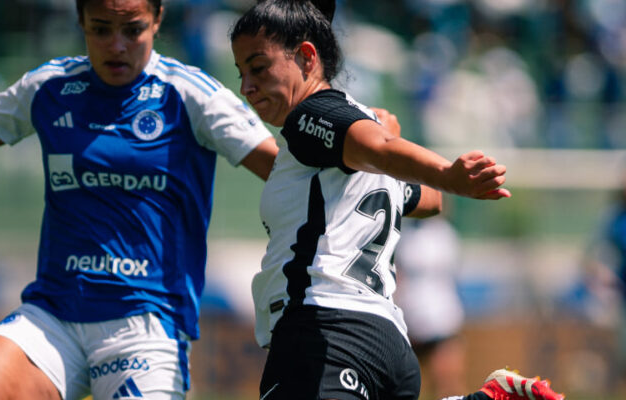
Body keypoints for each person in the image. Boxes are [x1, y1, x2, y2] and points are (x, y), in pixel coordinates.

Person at [0, 0, 278, 399]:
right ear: (81, 22)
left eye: (132, 29)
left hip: (145, 327)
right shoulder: (50, 88)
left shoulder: (192, 95)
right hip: (53, 314)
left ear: (157, 19)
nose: (116, 45)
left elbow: (280, 169)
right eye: (101, 29)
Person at [228, 1, 563, 399]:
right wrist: (387, 152)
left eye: (258, 67)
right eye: (241, 73)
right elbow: (430, 201)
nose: (246, 86)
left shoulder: (309, 117)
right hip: (388, 343)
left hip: (325, 331)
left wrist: (442, 171)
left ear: (306, 57)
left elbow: (386, 151)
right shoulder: (339, 141)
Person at [395, 216, 468, 399]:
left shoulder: (445, 235)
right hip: (409, 321)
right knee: (403, 386)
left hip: (442, 320)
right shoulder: (403, 235)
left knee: (448, 385)